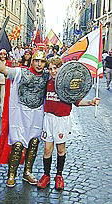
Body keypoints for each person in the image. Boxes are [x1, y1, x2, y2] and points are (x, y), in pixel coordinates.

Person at [37, 56, 100, 190]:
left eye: (55, 68)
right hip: (48, 119)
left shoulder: (68, 84)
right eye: (50, 69)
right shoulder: (47, 84)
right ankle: (46, 175)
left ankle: (59, 176)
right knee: (47, 149)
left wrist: (90, 102)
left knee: (61, 149)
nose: (53, 71)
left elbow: (77, 101)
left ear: (61, 68)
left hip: (62, 120)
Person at [0, 50, 49, 187]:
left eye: (42, 61)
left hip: (37, 113)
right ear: (32, 61)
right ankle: (11, 174)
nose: (39, 64)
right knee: (18, 144)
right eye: (36, 61)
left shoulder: (47, 76)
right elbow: (3, 69)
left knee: (34, 142)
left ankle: (27, 172)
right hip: (20, 113)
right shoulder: (20, 72)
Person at [0, 49, 12, 115]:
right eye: (1, 54)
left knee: (3, 96)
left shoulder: (8, 62)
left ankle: (3, 111)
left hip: (5, 81)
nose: (3, 56)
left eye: (4, 54)